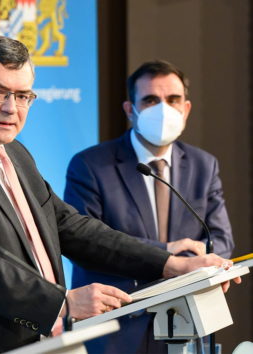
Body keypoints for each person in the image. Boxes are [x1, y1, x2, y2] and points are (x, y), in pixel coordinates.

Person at [0, 37, 233, 353]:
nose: (11, 108)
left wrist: (169, 264)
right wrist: (63, 302)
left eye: (23, 95)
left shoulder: (15, 154)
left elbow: (71, 227)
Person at [64, 60, 234, 353]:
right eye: (151, 100)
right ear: (131, 110)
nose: (163, 110)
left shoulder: (203, 165)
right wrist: (169, 253)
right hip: (116, 329)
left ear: (187, 109)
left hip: (186, 325)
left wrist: (208, 262)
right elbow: (87, 244)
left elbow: (220, 241)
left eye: (173, 100)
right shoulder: (90, 165)